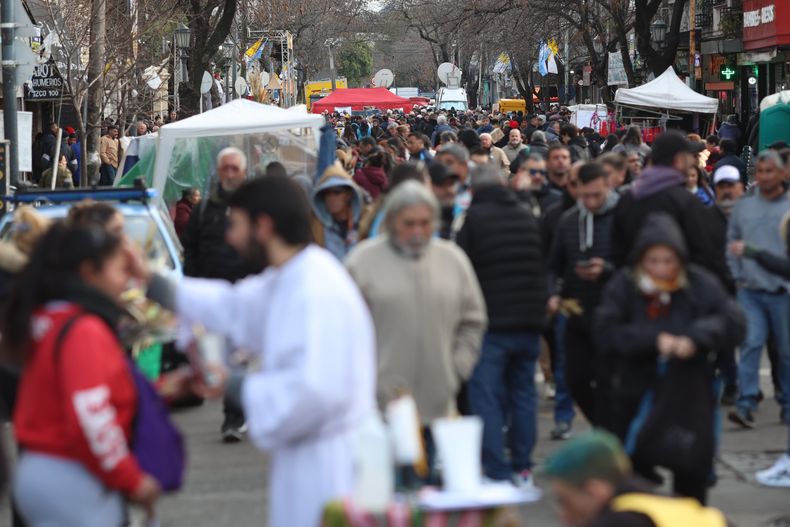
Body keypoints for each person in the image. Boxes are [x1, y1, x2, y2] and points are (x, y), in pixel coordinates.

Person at [144, 173, 375, 527]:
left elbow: (310, 391)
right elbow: (233, 306)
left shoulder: (315, 288)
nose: (230, 237)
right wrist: (148, 282)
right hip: (304, 463)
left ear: (263, 226)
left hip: (329, 470)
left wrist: (232, 384)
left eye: (235, 225)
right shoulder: (288, 276)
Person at [4, 223, 161, 526]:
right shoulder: (84, 329)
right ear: (89, 272)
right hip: (74, 478)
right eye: (120, 269)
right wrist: (132, 480)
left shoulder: (46, 318)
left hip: (39, 473)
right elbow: (91, 415)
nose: (127, 279)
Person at [595, 213, 745, 504]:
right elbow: (605, 331)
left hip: (689, 392)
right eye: (653, 261)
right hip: (636, 393)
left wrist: (696, 338)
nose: (661, 269)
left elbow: (732, 320)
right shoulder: (624, 286)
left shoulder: (698, 283)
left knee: (691, 478)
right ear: (641, 259)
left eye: (668, 260)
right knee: (634, 481)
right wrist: (653, 340)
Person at [345, 181, 486, 464]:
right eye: (409, 223)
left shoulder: (453, 260)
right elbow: (342, 331)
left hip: (440, 408)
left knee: (437, 499)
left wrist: (456, 369)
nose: (418, 232)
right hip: (380, 411)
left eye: (425, 223)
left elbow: (473, 320)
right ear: (392, 221)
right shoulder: (362, 262)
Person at [455, 166, 545, 490]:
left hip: (492, 323)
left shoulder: (474, 221)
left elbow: (462, 270)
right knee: (523, 395)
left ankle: (495, 468)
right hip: (529, 320)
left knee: (487, 396)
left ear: (475, 192)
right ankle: (523, 467)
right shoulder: (526, 215)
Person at [182, 147, 251, 442]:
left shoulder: (255, 208)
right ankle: (233, 417)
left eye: (235, 168)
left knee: (251, 357)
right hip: (215, 299)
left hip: (250, 296)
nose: (231, 174)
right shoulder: (204, 210)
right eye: (226, 168)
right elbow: (192, 255)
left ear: (244, 172)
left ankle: (250, 409)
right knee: (229, 359)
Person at [548, 162, 619, 429]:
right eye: (584, 196)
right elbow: (553, 265)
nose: (589, 202)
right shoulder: (568, 221)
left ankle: (611, 433)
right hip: (576, 311)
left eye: (596, 196)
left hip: (612, 311)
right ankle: (602, 426)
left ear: (607, 186)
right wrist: (552, 293)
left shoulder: (622, 217)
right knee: (575, 378)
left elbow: (634, 262)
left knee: (609, 380)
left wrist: (607, 270)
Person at [610, 131, 727, 286]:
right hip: (677, 290)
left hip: (635, 289)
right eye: (688, 156)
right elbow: (705, 253)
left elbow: (616, 251)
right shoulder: (685, 202)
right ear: (678, 160)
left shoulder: (627, 199)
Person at [544, 430, 729, 527]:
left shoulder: (618, 522)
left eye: (565, 501)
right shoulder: (673, 505)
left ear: (595, 490)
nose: (563, 517)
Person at [726, 150, 790, 430]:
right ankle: (746, 403)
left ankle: (787, 403)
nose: (763, 177)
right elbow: (731, 243)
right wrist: (738, 277)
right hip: (750, 291)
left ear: (781, 174)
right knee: (751, 344)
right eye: (760, 171)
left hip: (782, 291)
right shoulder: (744, 206)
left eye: (769, 171)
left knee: (785, 352)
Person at [429, 163, 460, 240]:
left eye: (451, 184)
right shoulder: (417, 219)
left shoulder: (463, 216)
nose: (449, 190)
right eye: (442, 185)